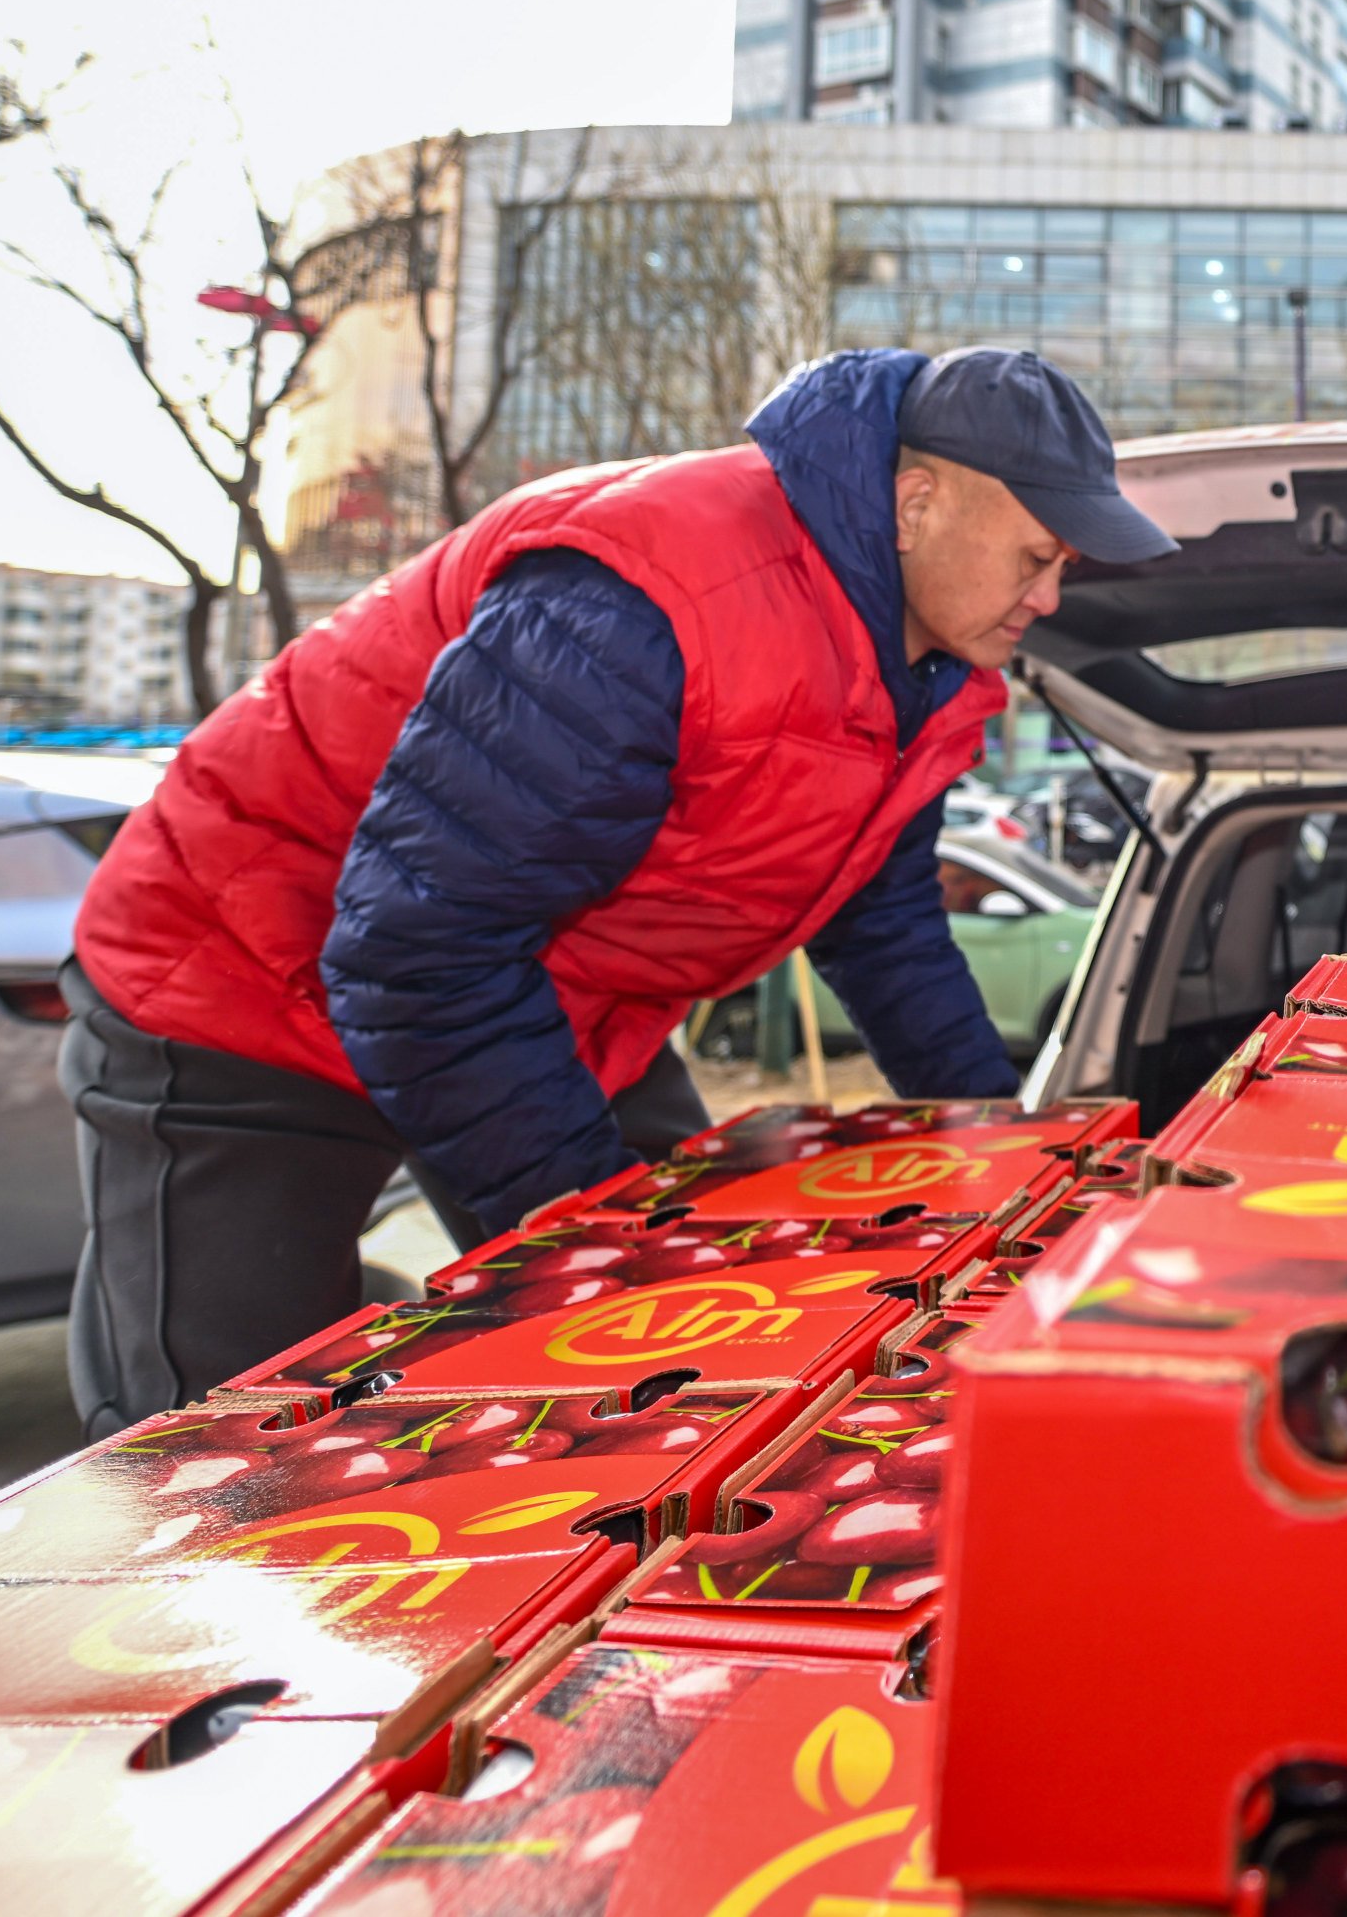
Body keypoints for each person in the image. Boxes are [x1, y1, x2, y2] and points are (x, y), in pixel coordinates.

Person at [59, 347, 1174, 1437]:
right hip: (241, 976)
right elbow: (419, 952)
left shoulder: (931, 673)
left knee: (701, 1379)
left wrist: (1011, 1149)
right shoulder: (650, 596)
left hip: (551, 995)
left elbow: (882, 924)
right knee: (222, 1448)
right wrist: (608, 1257)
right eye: (1035, 556)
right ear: (913, 502)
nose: (1050, 594)